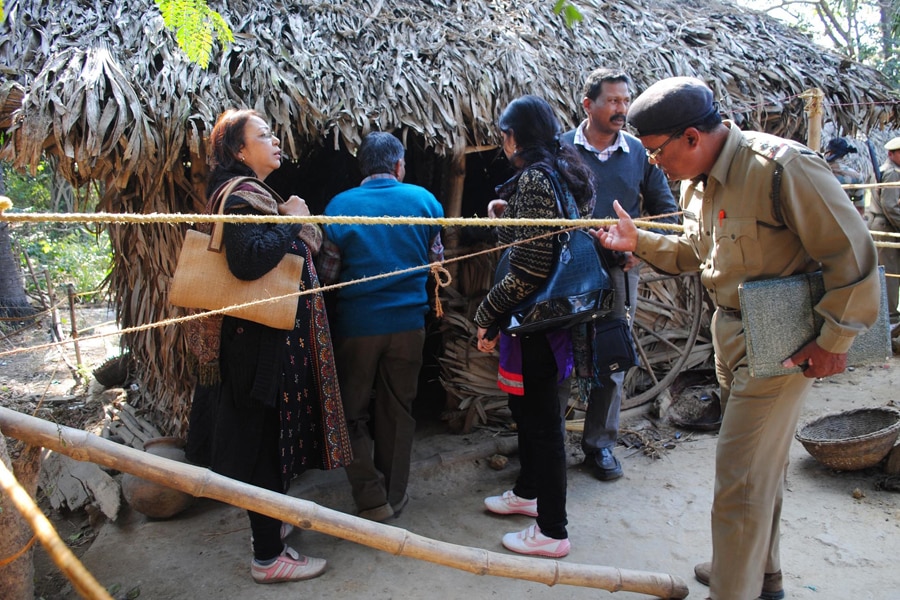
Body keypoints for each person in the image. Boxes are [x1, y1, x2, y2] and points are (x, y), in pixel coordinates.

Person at [593, 77, 879, 600]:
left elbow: (854, 256)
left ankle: (733, 589)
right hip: (732, 337)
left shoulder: (782, 168)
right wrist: (642, 240)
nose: (653, 164)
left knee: (739, 480)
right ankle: (758, 575)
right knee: (756, 473)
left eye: (657, 152)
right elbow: (698, 254)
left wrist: (835, 341)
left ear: (691, 137)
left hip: (783, 345)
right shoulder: (696, 181)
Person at [199, 109, 351, 584]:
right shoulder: (243, 197)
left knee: (265, 440)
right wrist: (291, 221)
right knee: (261, 445)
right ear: (240, 151)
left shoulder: (251, 195)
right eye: (263, 135)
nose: (275, 140)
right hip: (254, 346)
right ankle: (267, 556)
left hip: (259, 341)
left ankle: (270, 526)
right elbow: (248, 263)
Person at [474, 95, 595, 558]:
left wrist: (486, 316)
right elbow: (537, 242)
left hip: (539, 325)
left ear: (512, 137)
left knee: (543, 425)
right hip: (550, 321)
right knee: (529, 413)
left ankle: (553, 531)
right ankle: (527, 494)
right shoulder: (563, 173)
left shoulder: (535, 180)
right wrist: (504, 219)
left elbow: (527, 270)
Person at [560, 67, 679, 481]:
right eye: (612, 101)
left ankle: (600, 447)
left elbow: (666, 210)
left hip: (616, 272)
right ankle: (549, 447)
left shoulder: (638, 153)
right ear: (587, 105)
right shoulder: (561, 151)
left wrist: (640, 246)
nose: (621, 109)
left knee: (611, 358)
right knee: (559, 355)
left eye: (625, 101)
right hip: (565, 274)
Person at [318, 132, 444, 522]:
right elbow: (436, 260)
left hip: (358, 327)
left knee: (348, 412)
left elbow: (328, 275)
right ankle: (393, 494)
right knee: (398, 410)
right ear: (398, 165)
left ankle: (371, 496)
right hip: (409, 324)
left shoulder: (339, 207)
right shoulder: (425, 201)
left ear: (363, 167)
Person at [866, 136, 900, 326]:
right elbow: (891, 208)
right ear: (891, 153)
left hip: (887, 223)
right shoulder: (892, 173)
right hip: (887, 225)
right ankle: (890, 322)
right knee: (890, 276)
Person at [824, 137, 865, 216]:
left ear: (828, 152)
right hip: (843, 220)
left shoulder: (817, 171)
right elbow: (859, 208)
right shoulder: (856, 176)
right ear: (844, 155)